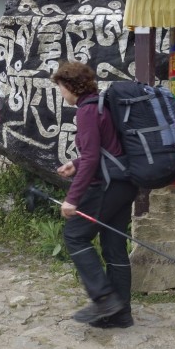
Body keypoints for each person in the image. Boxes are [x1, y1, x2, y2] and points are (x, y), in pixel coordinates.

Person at [51, 61, 138, 328]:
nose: (61, 94)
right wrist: (74, 164)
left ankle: (103, 298)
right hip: (125, 182)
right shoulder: (103, 105)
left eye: (60, 88)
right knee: (114, 247)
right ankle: (121, 314)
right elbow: (105, 148)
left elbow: (91, 158)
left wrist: (72, 199)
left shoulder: (87, 112)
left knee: (75, 235)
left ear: (69, 86)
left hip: (107, 185)